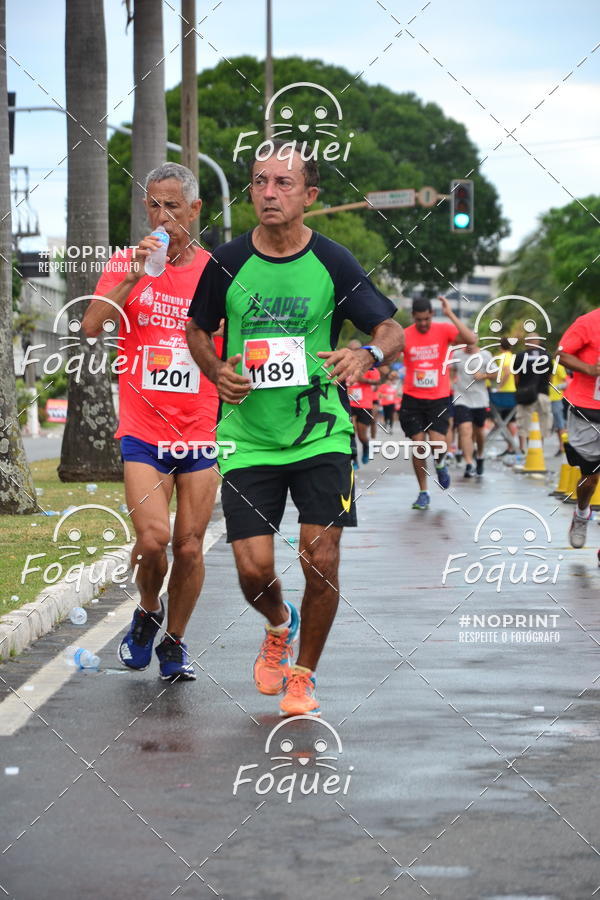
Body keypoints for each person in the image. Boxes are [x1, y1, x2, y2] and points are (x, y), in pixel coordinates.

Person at [186, 142, 403, 717]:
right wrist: (216, 371)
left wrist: (366, 354)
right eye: (260, 181)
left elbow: (390, 330)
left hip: (321, 433)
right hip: (248, 436)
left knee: (321, 558)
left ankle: (303, 676)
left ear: (309, 195)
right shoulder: (227, 260)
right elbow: (198, 329)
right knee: (253, 569)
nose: (269, 192)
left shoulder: (334, 262)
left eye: (283, 183)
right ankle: (279, 623)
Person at [82, 162, 220, 682]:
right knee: (153, 538)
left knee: (190, 546)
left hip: (199, 428)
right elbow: (91, 326)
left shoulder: (216, 271)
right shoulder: (127, 261)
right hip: (143, 429)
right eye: (155, 206)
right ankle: (148, 609)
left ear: (195, 210)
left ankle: (175, 641)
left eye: (174, 207)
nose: (163, 217)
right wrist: (135, 275)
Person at [399, 295, 476, 510]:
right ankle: (423, 492)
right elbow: (388, 354)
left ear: (432, 314)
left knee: (437, 443)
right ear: (413, 316)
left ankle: (440, 463)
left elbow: (470, 339)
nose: (423, 323)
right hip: (412, 398)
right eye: (419, 320)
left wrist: (450, 313)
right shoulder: (405, 335)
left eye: (427, 319)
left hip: (438, 398)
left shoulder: (443, 330)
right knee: (418, 445)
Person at [556, 310, 600, 550]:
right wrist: (591, 369)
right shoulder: (588, 323)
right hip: (588, 409)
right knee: (590, 478)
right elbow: (561, 355)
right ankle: (582, 513)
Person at [450, 340, 498, 477]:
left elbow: (496, 374)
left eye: (471, 342)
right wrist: (451, 383)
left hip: (480, 399)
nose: (469, 345)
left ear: (476, 341)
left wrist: (484, 376)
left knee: (479, 432)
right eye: (466, 342)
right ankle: (469, 463)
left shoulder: (485, 355)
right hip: (461, 398)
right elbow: (452, 370)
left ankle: (480, 456)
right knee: (464, 429)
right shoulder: (457, 355)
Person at [513, 335, 552, 459]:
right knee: (542, 424)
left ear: (526, 343)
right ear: (538, 342)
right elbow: (550, 377)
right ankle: (539, 450)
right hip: (543, 394)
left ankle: (526, 451)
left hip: (525, 394)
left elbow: (516, 377)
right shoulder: (547, 356)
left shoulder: (520, 356)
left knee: (525, 423)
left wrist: (520, 389)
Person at [347, 340, 381, 464]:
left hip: (364, 404)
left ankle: (366, 447)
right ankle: (354, 459)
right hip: (350, 404)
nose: (353, 352)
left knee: (362, 435)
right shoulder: (345, 365)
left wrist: (363, 380)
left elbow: (377, 382)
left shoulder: (369, 367)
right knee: (351, 432)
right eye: (351, 350)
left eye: (356, 350)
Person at [488, 336, 518, 455]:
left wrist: (500, 386)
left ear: (500, 346)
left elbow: (506, 372)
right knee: (510, 420)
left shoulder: (503, 357)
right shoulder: (512, 356)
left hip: (505, 392)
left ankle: (510, 446)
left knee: (498, 418)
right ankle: (511, 446)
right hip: (513, 390)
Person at [549, 361, 568, 455]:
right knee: (557, 425)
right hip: (545, 397)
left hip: (556, 398)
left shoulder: (557, 365)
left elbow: (566, 381)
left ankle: (563, 447)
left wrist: (557, 387)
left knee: (560, 424)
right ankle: (561, 447)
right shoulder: (541, 364)